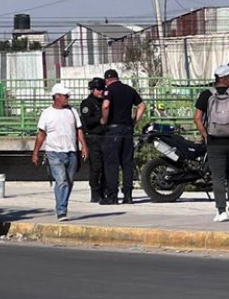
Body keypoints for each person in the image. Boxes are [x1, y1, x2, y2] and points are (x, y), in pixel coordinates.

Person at [193, 65, 229, 222]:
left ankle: (221, 211)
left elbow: (197, 118)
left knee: (218, 177)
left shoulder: (206, 95)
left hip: (214, 142)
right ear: (226, 79)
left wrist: (205, 135)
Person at [31, 83, 88, 220]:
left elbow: (78, 129)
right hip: (54, 152)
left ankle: (63, 204)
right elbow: (41, 134)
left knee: (69, 181)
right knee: (61, 180)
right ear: (56, 97)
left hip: (71, 151)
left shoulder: (72, 111)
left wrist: (84, 146)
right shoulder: (47, 114)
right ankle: (61, 210)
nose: (67, 98)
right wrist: (35, 152)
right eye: (65, 96)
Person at [99, 69, 146, 205]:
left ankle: (112, 196)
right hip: (127, 130)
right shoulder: (129, 90)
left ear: (107, 80)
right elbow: (142, 106)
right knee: (127, 163)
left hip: (114, 130)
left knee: (112, 163)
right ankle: (128, 195)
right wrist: (134, 121)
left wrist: (104, 120)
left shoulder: (109, 91)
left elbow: (106, 106)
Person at [80, 77, 107, 203]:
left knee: (106, 166)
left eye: (103, 89)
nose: (101, 91)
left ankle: (103, 190)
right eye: (98, 89)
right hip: (93, 137)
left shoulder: (104, 102)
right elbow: (87, 121)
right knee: (96, 166)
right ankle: (95, 192)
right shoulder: (88, 103)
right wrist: (99, 120)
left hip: (105, 137)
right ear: (93, 89)